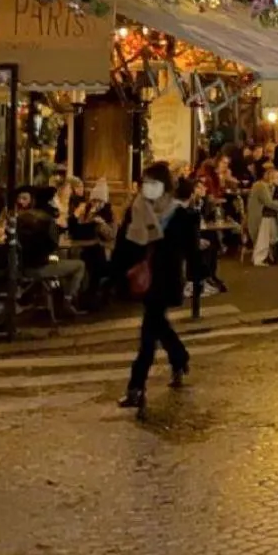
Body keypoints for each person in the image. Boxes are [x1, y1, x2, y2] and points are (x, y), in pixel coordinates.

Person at [119, 164, 195, 410]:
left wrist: (197, 277)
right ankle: (179, 358)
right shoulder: (139, 211)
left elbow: (191, 251)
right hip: (146, 278)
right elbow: (126, 244)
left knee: (148, 334)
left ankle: (136, 387)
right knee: (158, 326)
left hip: (167, 279)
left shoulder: (181, 216)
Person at [15, 187, 88, 314]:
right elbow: (52, 245)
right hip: (42, 264)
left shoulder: (21, 218)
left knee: (60, 258)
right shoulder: (45, 219)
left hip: (24, 265)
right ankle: (67, 299)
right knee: (79, 265)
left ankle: (49, 299)